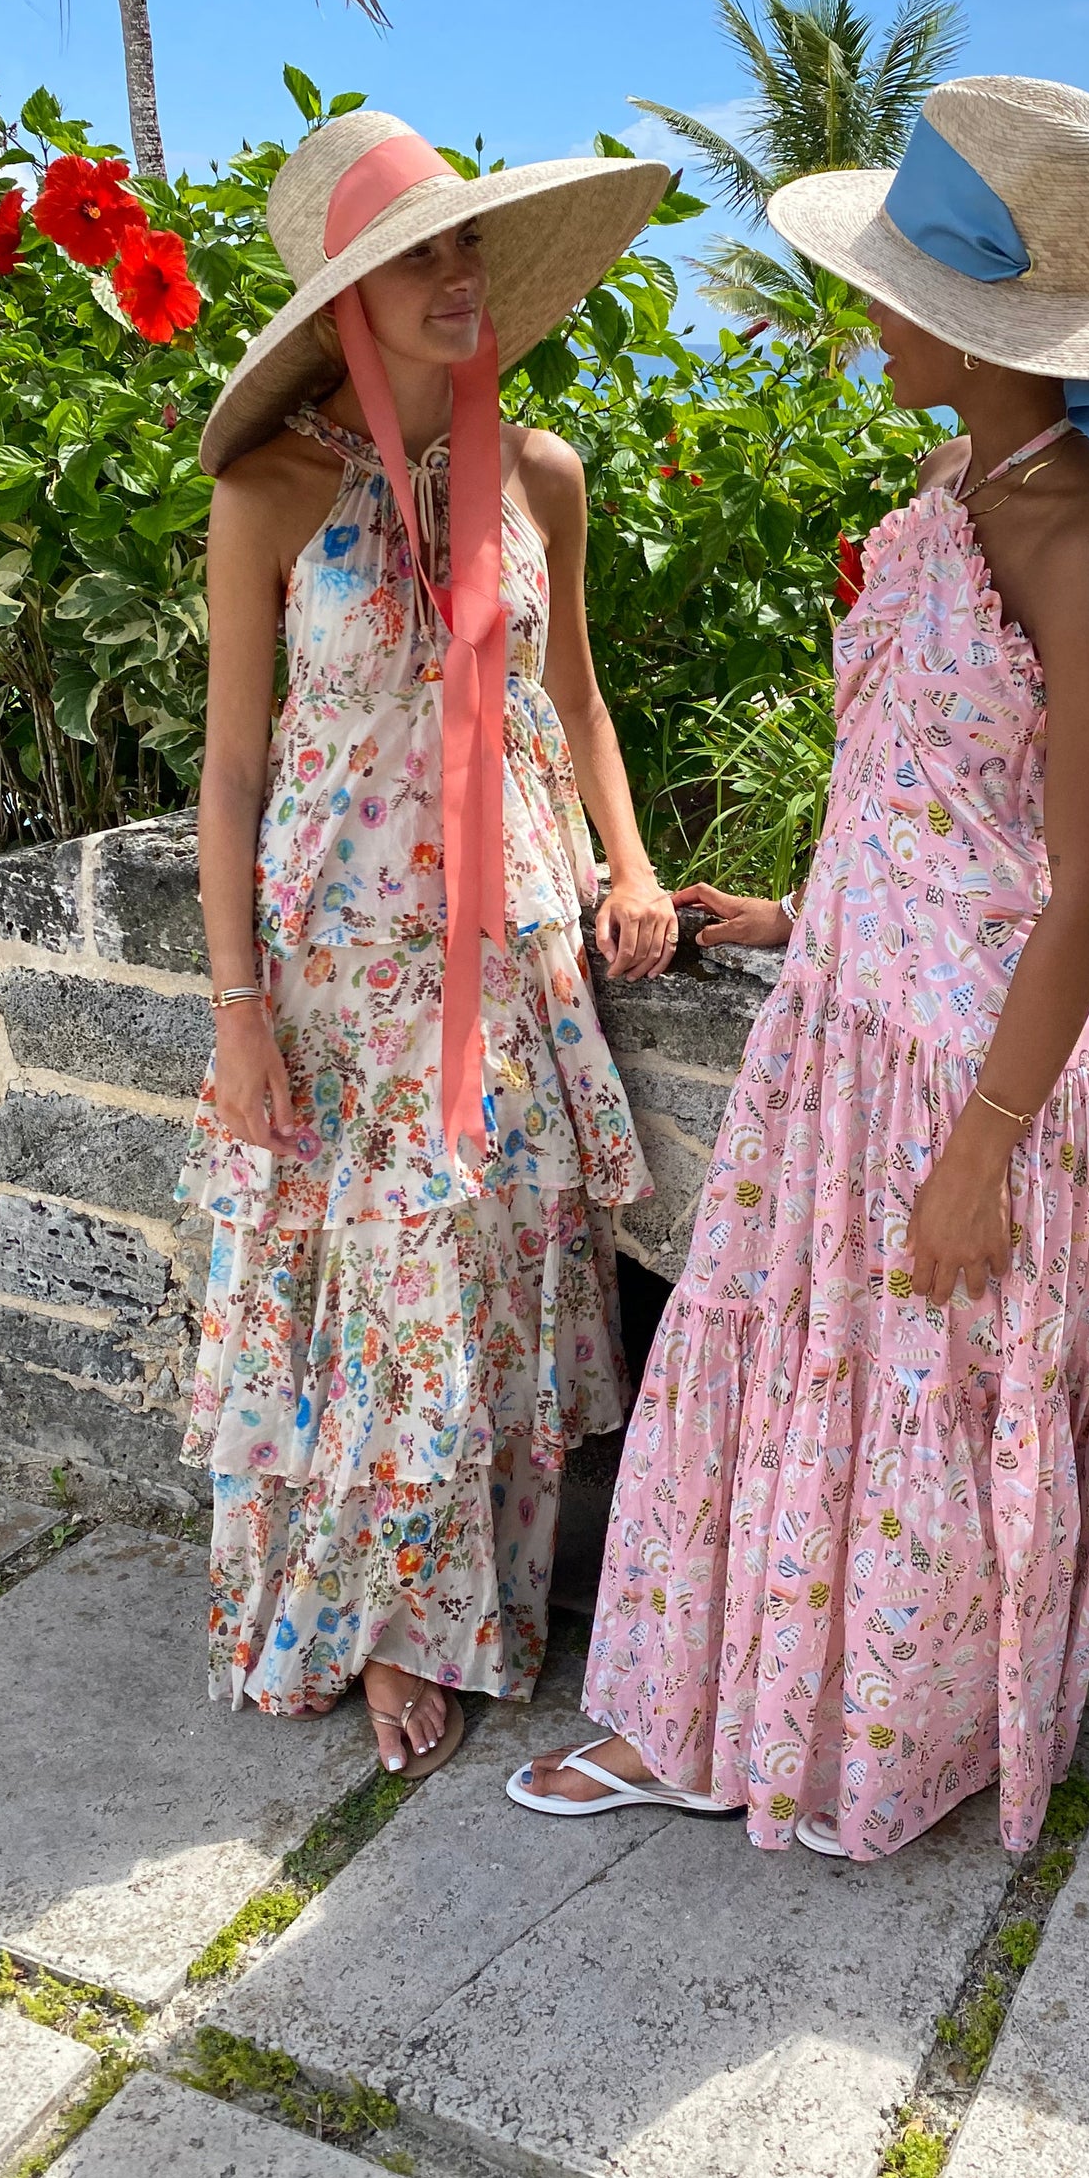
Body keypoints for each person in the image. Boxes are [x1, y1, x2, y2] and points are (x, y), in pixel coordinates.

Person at [510, 76, 1089, 1858]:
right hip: (850, 1020)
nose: (862, 304)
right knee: (782, 1388)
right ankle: (720, 1719)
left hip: (971, 1063)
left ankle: (845, 1751)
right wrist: (808, 907)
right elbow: (931, 784)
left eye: (894, 278)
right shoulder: (958, 474)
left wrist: (983, 1149)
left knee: (900, 1416)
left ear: (979, 320)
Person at [177, 110, 680, 1778]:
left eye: (471, 246)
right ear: (351, 294)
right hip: (337, 953)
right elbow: (234, 767)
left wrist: (630, 859)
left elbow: (573, 693)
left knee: (486, 1275)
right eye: (422, 256)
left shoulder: (541, 475)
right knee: (378, 1279)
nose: (459, 277)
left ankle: (460, 1603)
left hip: (515, 929)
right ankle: (385, 1619)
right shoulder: (267, 491)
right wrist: (237, 1009)